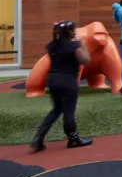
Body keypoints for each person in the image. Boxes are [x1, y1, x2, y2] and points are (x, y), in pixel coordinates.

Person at [30, 21, 93, 152]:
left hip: (53, 80)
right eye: (73, 30)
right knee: (69, 111)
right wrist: (82, 45)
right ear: (69, 32)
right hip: (68, 81)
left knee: (57, 109)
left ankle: (38, 137)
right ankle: (73, 139)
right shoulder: (73, 46)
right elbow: (85, 60)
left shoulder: (51, 46)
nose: (75, 32)